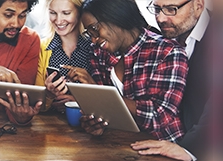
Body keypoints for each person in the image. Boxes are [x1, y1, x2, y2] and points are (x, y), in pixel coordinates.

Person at [75, 0, 188, 141]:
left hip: (162, 149)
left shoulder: (167, 52)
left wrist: (96, 90)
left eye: (95, 29)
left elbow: (158, 118)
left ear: (117, 17)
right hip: (119, 146)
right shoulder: (98, 53)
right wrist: (96, 124)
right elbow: (105, 113)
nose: (93, 39)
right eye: (89, 33)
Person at [130, 0, 210, 161]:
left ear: (198, 5)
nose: (160, 18)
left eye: (170, 9)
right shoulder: (167, 38)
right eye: (157, 9)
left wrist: (188, 148)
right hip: (166, 152)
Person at [38, 0, 92, 113]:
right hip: (51, 125)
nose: (58, 20)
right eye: (53, 13)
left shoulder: (94, 48)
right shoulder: (42, 48)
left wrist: (79, 102)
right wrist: (49, 95)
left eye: (66, 13)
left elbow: (108, 99)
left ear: (80, 13)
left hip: (88, 125)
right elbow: (36, 104)